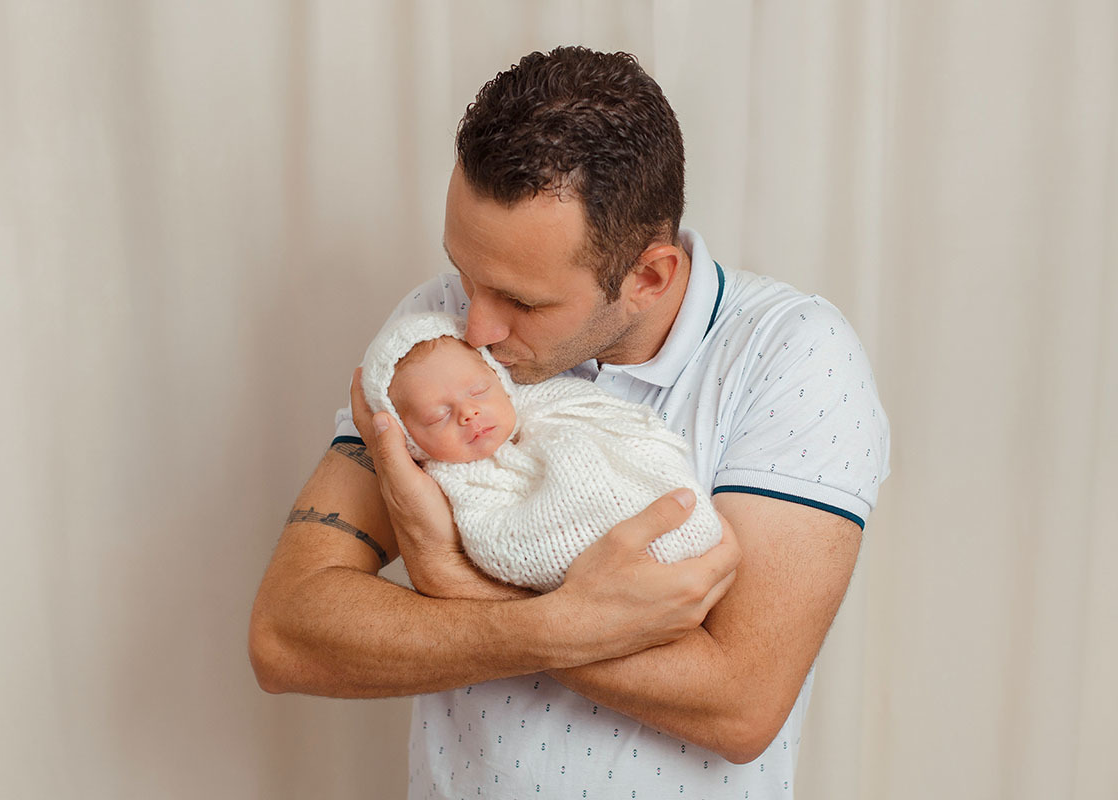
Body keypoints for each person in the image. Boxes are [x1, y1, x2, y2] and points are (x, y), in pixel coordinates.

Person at [250, 46, 889, 799]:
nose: (476, 329)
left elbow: (740, 705)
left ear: (647, 276)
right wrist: (550, 626)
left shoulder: (791, 354)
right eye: (465, 273)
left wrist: (456, 580)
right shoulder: (433, 329)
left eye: (523, 301)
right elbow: (286, 635)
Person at [360, 311, 724, 592]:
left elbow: (632, 430)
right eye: (438, 416)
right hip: (589, 561)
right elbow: (498, 541)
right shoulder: (453, 481)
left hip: (658, 508)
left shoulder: (553, 399)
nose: (468, 413)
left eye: (478, 391)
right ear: (409, 438)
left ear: (499, 380)